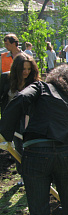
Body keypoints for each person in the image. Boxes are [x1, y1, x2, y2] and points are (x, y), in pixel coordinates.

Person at [0, 65, 68, 215]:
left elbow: (20, 99)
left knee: (39, 214)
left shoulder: (40, 87)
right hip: (66, 155)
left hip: (36, 153)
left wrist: (5, 133)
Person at [0, 53, 40, 185]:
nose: (26, 72)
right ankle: (23, 175)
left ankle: (38, 173)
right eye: (23, 69)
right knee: (18, 147)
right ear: (16, 69)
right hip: (12, 118)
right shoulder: (6, 78)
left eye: (29, 69)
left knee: (31, 146)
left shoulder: (33, 81)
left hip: (29, 117)